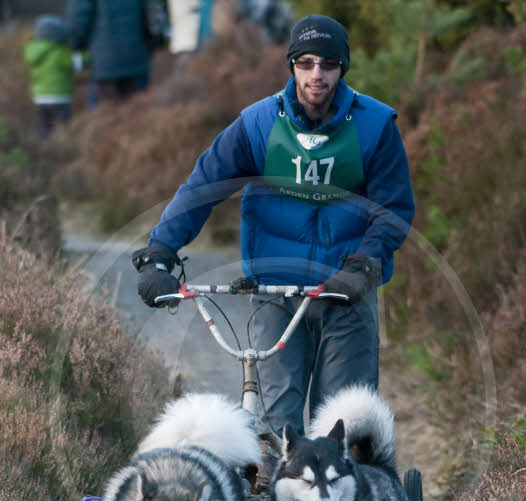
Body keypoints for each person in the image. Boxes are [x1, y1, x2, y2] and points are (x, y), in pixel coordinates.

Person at [133, 12, 415, 439]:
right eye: (306, 63)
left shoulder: (375, 127)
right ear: (292, 66)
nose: (316, 74)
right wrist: (161, 252)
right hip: (275, 294)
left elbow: (391, 210)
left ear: (343, 68)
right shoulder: (258, 124)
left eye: (328, 64)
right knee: (271, 429)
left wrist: (363, 267)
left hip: (345, 294)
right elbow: (203, 187)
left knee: (341, 428)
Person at [66, 0, 153, 105]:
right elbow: (151, 15)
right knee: (139, 111)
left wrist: (75, 44)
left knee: (104, 114)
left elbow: (79, 21)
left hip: (104, 66)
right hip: (137, 59)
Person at [24, 15, 84, 139]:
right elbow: (74, 63)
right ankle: (61, 145)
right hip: (59, 98)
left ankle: (44, 147)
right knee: (62, 125)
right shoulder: (58, 52)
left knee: (43, 126)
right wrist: (88, 57)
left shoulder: (33, 52)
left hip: (40, 98)